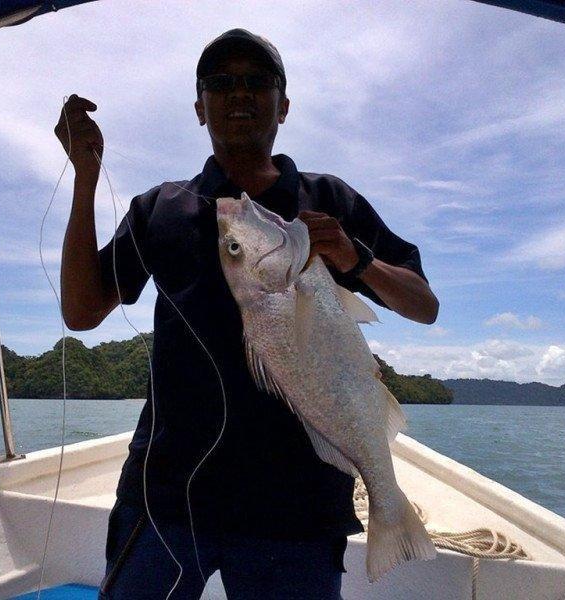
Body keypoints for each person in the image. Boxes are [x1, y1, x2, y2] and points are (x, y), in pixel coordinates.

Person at [57, 28, 438, 600]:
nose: (239, 93)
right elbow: (82, 312)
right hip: (168, 494)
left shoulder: (329, 200)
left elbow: (423, 305)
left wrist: (355, 258)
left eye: (258, 81)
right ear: (199, 108)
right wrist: (86, 179)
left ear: (283, 106)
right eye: (220, 83)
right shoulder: (160, 208)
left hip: (299, 506)